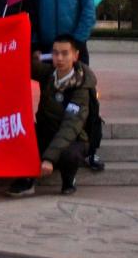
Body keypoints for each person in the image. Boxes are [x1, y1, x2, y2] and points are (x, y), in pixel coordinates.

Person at [30, 0, 104, 172]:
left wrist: (76, 42)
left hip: (75, 46)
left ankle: (90, 149)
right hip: (48, 48)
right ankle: (51, 146)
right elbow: (33, 13)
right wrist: (36, 44)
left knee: (85, 99)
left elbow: (88, 10)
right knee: (49, 97)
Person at [6, 36, 97, 197]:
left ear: (75, 55)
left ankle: (68, 180)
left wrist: (48, 158)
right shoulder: (49, 74)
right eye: (55, 53)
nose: (59, 58)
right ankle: (26, 179)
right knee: (19, 132)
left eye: (65, 53)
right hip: (46, 131)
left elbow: (70, 127)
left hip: (74, 138)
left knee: (69, 154)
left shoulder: (81, 87)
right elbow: (20, 64)